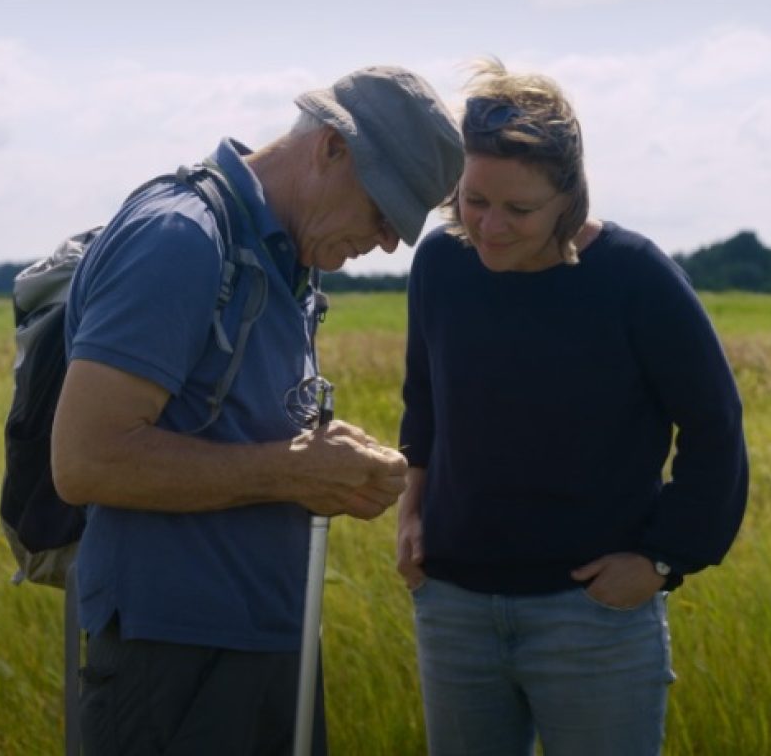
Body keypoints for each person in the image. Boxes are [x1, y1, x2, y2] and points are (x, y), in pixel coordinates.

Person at [51, 65, 464, 755]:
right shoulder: (180, 238)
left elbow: (239, 429)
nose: (389, 242)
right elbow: (86, 459)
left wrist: (329, 463)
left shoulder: (283, 257)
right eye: (383, 211)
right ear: (331, 146)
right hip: (173, 657)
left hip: (265, 645)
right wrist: (291, 474)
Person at [396, 59, 748, 755]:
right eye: (473, 200)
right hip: (454, 608)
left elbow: (715, 425)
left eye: (518, 209)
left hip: (590, 618)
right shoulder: (440, 263)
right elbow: (425, 397)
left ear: (569, 198)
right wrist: (413, 510)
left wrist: (664, 560)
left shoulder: (633, 276)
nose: (490, 226)